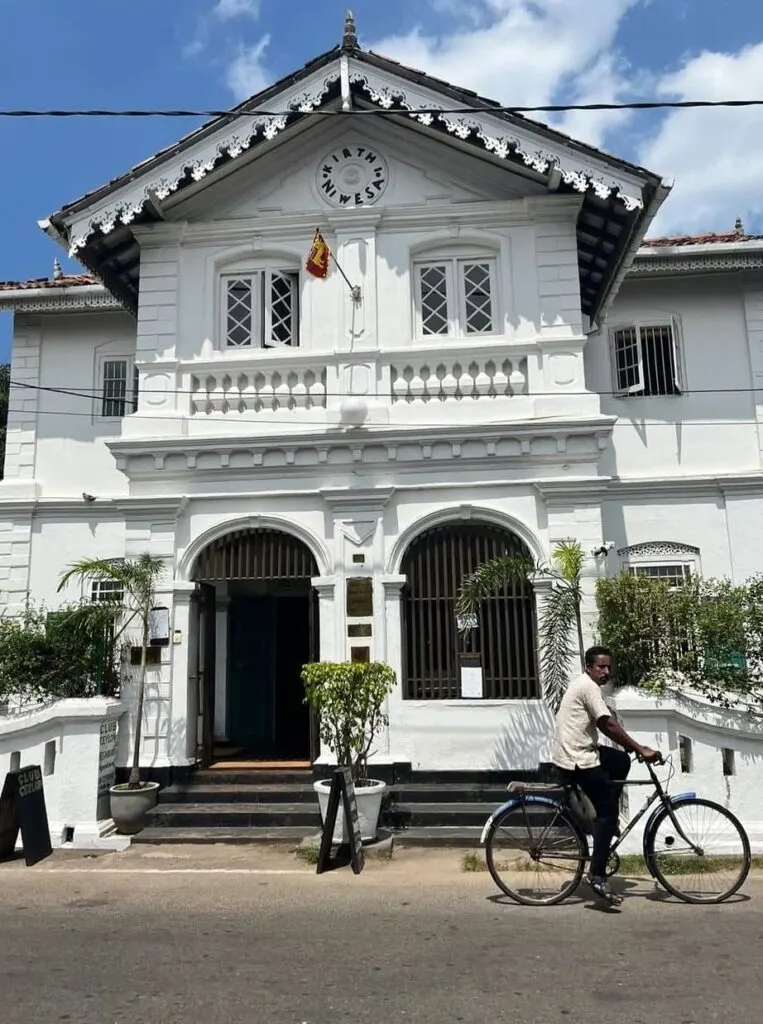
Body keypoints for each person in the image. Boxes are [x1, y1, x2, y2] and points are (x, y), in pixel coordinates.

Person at [550, 646, 662, 905]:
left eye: (608, 667)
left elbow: (607, 725)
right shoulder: (588, 687)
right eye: (601, 667)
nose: (606, 671)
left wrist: (630, 750)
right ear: (589, 667)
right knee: (608, 813)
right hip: (576, 758)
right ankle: (597, 874)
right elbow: (606, 723)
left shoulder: (585, 685)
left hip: (577, 750)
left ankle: (604, 822)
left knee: (620, 760)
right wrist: (640, 748)